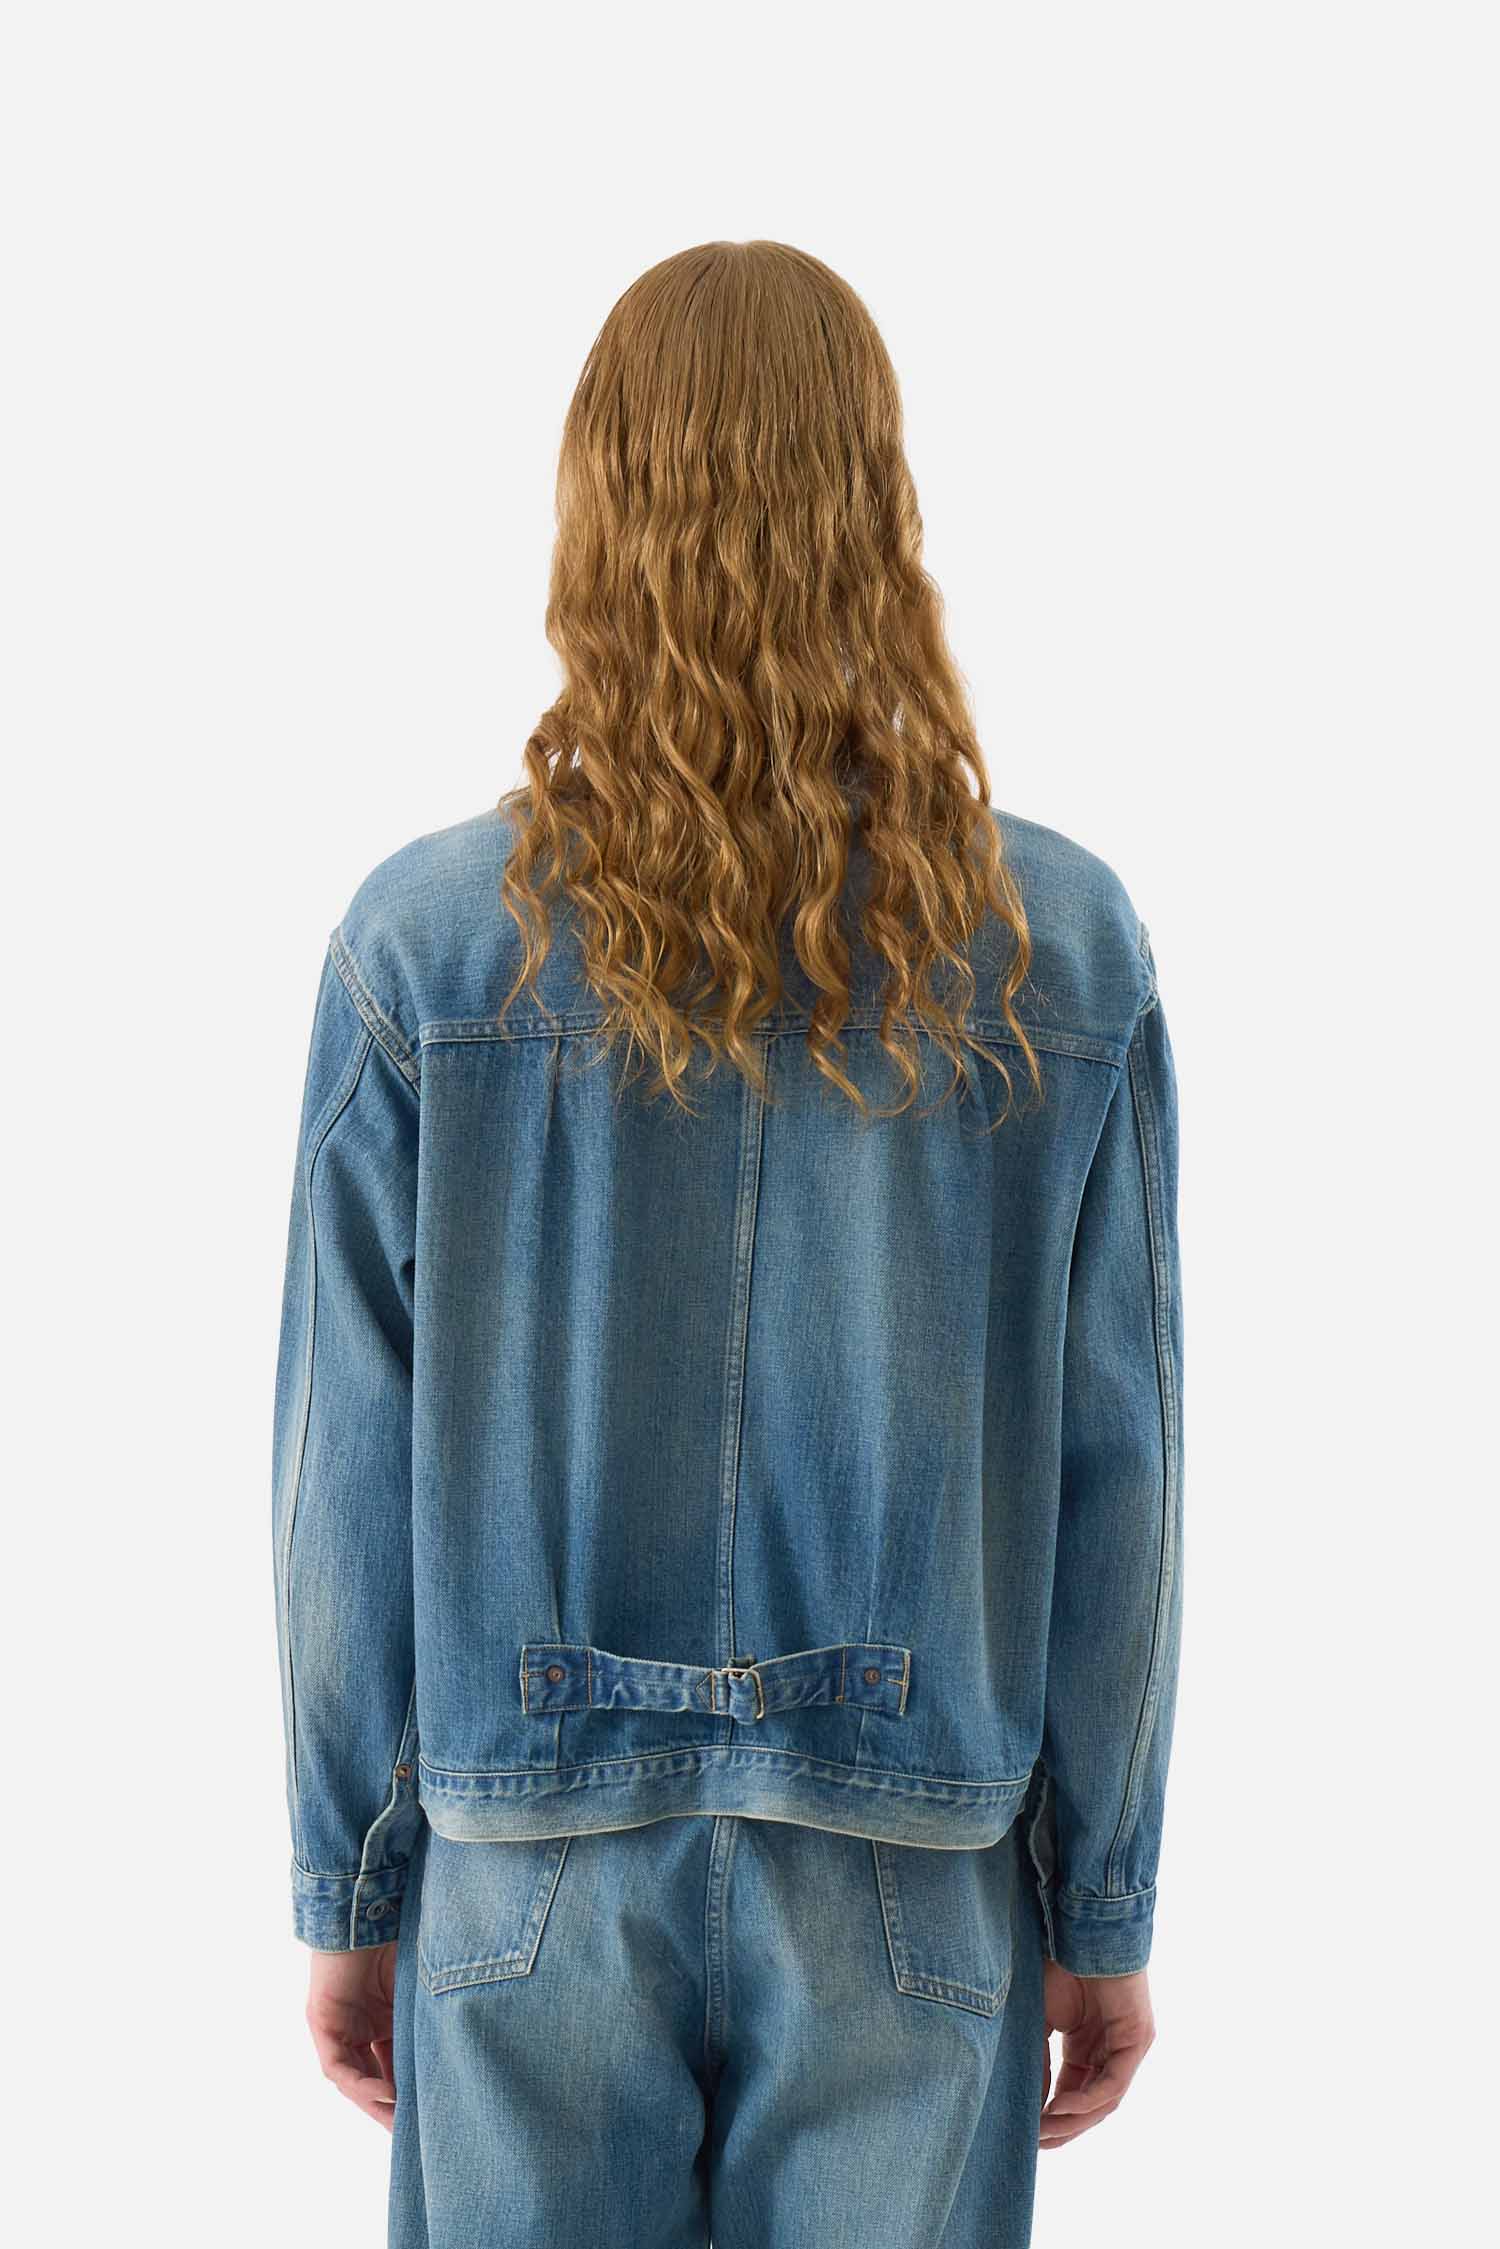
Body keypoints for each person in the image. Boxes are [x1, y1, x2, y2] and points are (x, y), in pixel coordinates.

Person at [270, 239, 1185, 2249]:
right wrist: (1102, 1900)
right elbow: (1119, 1469)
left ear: (593, 512)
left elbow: (343, 1469)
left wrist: (349, 1883)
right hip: (912, 1865)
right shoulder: (1059, 951)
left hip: (526, 1864)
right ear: (882, 515)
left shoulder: (425, 952)